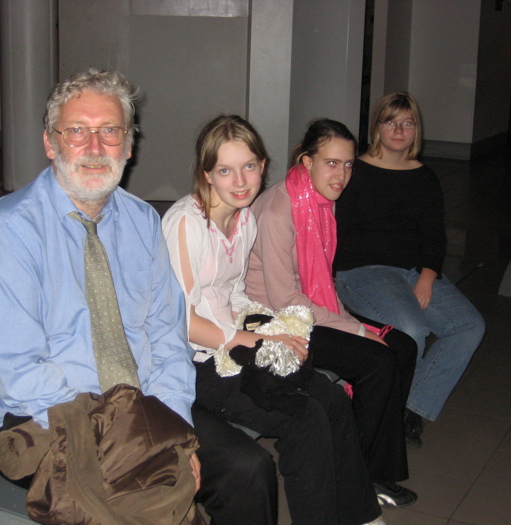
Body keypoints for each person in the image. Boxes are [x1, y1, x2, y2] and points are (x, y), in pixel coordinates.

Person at [0, 69, 272, 524]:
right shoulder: (12, 229)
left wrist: (173, 429)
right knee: (140, 502)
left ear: (129, 146)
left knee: (248, 469)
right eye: (77, 132)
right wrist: (137, 439)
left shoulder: (142, 222)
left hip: (142, 406)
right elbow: (18, 371)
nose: (95, 148)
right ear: (50, 144)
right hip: (48, 415)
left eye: (110, 132)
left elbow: (167, 336)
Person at [162, 114, 385, 525]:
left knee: (332, 400)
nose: (240, 180)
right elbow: (181, 320)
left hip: (235, 341)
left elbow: (234, 293)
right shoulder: (186, 224)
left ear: (263, 166)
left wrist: (273, 326)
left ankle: (360, 514)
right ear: (207, 173)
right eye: (225, 170)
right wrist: (251, 341)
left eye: (249, 166)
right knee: (305, 418)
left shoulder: (244, 219)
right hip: (194, 362)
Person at [245, 118, 418, 508]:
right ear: (306, 162)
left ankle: (369, 461)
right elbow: (287, 301)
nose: (341, 175)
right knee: (378, 359)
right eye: (331, 163)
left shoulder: (321, 204)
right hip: (277, 321)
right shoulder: (279, 212)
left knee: (402, 346)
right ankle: (360, 471)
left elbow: (321, 281)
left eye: (348, 164)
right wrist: (356, 330)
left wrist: (353, 323)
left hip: (312, 307)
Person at [333, 92, 486, 447]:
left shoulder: (424, 177)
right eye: (390, 121)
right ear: (377, 127)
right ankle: (385, 416)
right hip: (362, 271)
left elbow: (434, 236)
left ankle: (409, 411)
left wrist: (429, 276)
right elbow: (335, 233)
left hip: (414, 271)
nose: (398, 129)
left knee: (468, 325)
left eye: (407, 122)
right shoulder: (355, 171)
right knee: (411, 328)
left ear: (417, 129)